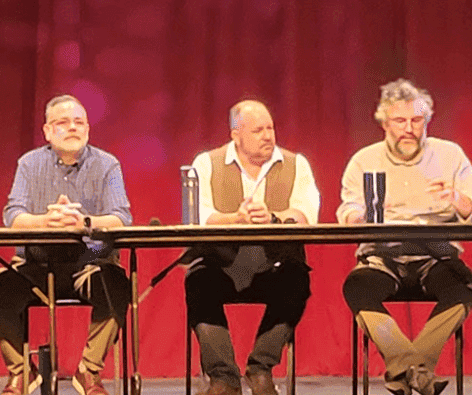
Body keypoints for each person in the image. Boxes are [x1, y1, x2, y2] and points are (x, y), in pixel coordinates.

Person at [0, 95, 132, 395]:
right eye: (63, 122)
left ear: (88, 129)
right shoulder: (29, 163)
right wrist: (45, 221)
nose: (73, 128)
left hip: (89, 264)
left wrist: (82, 222)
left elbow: (121, 218)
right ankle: (22, 371)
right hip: (35, 265)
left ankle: (89, 371)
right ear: (47, 131)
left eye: (79, 122)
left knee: (117, 287)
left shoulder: (108, 164)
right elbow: (13, 216)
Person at [338, 79, 472, 395]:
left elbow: (470, 208)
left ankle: (408, 368)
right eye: (400, 121)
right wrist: (358, 217)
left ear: (427, 122)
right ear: (384, 123)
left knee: (465, 286)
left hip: (437, 256)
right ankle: (415, 369)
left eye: (416, 120)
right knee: (357, 287)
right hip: (383, 257)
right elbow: (349, 209)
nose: (409, 129)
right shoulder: (364, 160)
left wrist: (458, 199)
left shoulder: (450, 155)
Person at [187, 100, 319, 395]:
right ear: (236, 135)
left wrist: (274, 217)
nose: (268, 136)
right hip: (222, 265)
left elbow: (307, 214)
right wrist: (236, 218)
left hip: (275, 266)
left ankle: (260, 368)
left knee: (297, 279)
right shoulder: (206, 163)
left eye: (270, 128)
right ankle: (224, 378)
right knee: (198, 281)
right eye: (258, 130)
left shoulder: (296, 164)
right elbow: (197, 216)